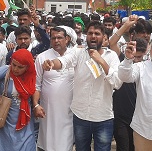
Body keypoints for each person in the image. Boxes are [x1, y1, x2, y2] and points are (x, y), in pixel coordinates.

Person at [42, 21, 121, 151]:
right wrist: (51, 63)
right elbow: (63, 61)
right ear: (86, 35)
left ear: (104, 37)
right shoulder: (78, 53)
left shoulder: (111, 56)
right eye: (90, 33)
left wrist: (100, 61)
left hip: (103, 118)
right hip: (80, 116)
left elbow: (117, 83)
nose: (93, 36)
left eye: (97, 33)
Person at [33, 26, 76, 151]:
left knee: (67, 143)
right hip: (48, 110)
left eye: (59, 38)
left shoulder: (74, 56)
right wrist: (36, 105)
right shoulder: (42, 57)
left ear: (67, 39)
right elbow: (37, 84)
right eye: (53, 38)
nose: (56, 41)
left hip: (70, 110)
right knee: (48, 143)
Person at [112, 37, 148, 151]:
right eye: (134, 56)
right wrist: (126, 25)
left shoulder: (146, 69)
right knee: (123, 147)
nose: (136, 60)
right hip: (120, 116)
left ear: (145, 53)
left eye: (139, 57)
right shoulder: (124, 62)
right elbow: (112, 43)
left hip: (138, 118)